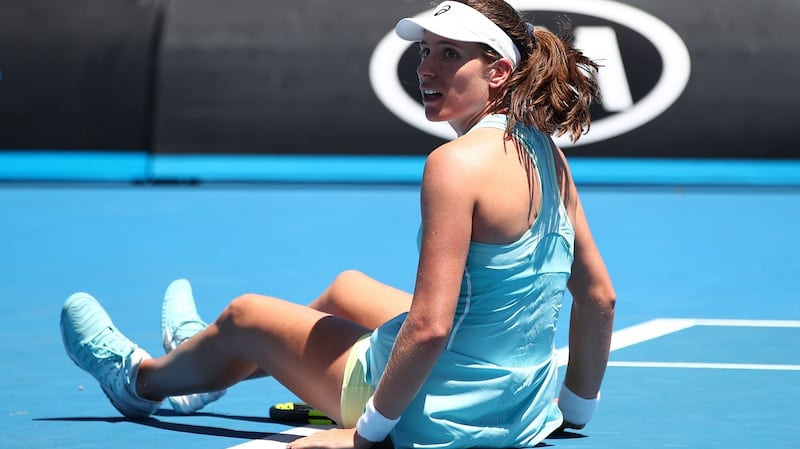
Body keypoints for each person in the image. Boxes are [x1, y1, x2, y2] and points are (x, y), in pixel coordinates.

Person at [59, 1, 616, 448]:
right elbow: (599, 297)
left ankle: (141, 381)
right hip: (519, 411)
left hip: (437, 415)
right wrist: (574, 413)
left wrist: (366, 436)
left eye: (449, 55)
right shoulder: (546, 152)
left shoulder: (454, 165)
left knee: (246, 314)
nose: (425, 68)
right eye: (425, 52)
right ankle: (204, 360)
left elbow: (430, 329)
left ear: (497, 72)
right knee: (346, 290)